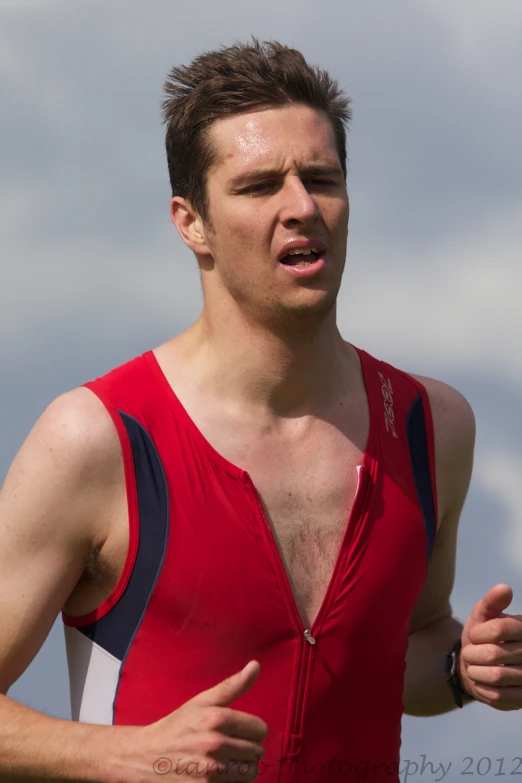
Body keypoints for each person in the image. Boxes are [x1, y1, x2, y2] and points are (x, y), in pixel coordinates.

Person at [0, 39, 521, 783]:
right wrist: (123, 754)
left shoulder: (433, 425)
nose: (301, 206)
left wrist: (465, 668)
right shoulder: (97, 438)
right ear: (192, 223)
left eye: (321, 178)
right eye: (258, 186)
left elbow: (404, 649)